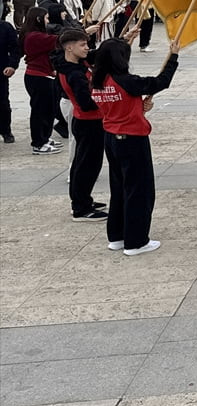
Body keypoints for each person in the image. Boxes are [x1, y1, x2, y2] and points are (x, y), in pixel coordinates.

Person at [91, 36, 180, 255]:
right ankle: (136, 241)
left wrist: (138, 107)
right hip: (132, 139)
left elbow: (116, 106)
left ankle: (117, 236)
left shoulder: (98, 80)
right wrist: (173, 56)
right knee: (139, 190)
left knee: (119, 187)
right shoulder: (127, 81)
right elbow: (161, 82)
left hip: (111, 137)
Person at [54, 28, 108, 221]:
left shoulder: (69, 62)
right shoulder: (74, 74)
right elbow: (86, 103)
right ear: (69, 48)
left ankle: (81, 199)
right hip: (88, 122)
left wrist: (125, 39)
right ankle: (81, 208)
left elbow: (97, 55)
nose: (87, 48)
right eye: (83, 45)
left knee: (81, 163)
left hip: (83, 121)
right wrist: (105, 100)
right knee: (88, 165)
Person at [20, 7, 62, 153]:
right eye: (46, 18)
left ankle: (45, 137)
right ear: (38, 19)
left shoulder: (37, 34)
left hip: (45, 74)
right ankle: (38, 142)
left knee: (49, 110)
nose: (48, 21)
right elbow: (58, 40)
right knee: (40, 111)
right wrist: (83, 33)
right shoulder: (33, 36)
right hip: (37, 77)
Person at [0, 7, 18, 144]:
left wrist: (12, 65)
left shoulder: (6, 27)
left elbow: (15, 48)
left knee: (3, 103)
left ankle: (6, 130)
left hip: (1, 71)